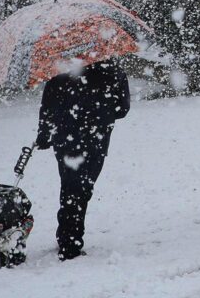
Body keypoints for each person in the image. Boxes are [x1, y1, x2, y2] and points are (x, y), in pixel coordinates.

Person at [35, 58, 130, 260]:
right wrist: (101, 113)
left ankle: (67, 236)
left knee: (69, 186)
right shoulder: (112, 71)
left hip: (65, 138)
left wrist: (43, 136)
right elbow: (122, 109)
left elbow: (48, 107)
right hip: (96, 139)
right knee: (82, 189)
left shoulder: (60, 71)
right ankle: (70, 241)